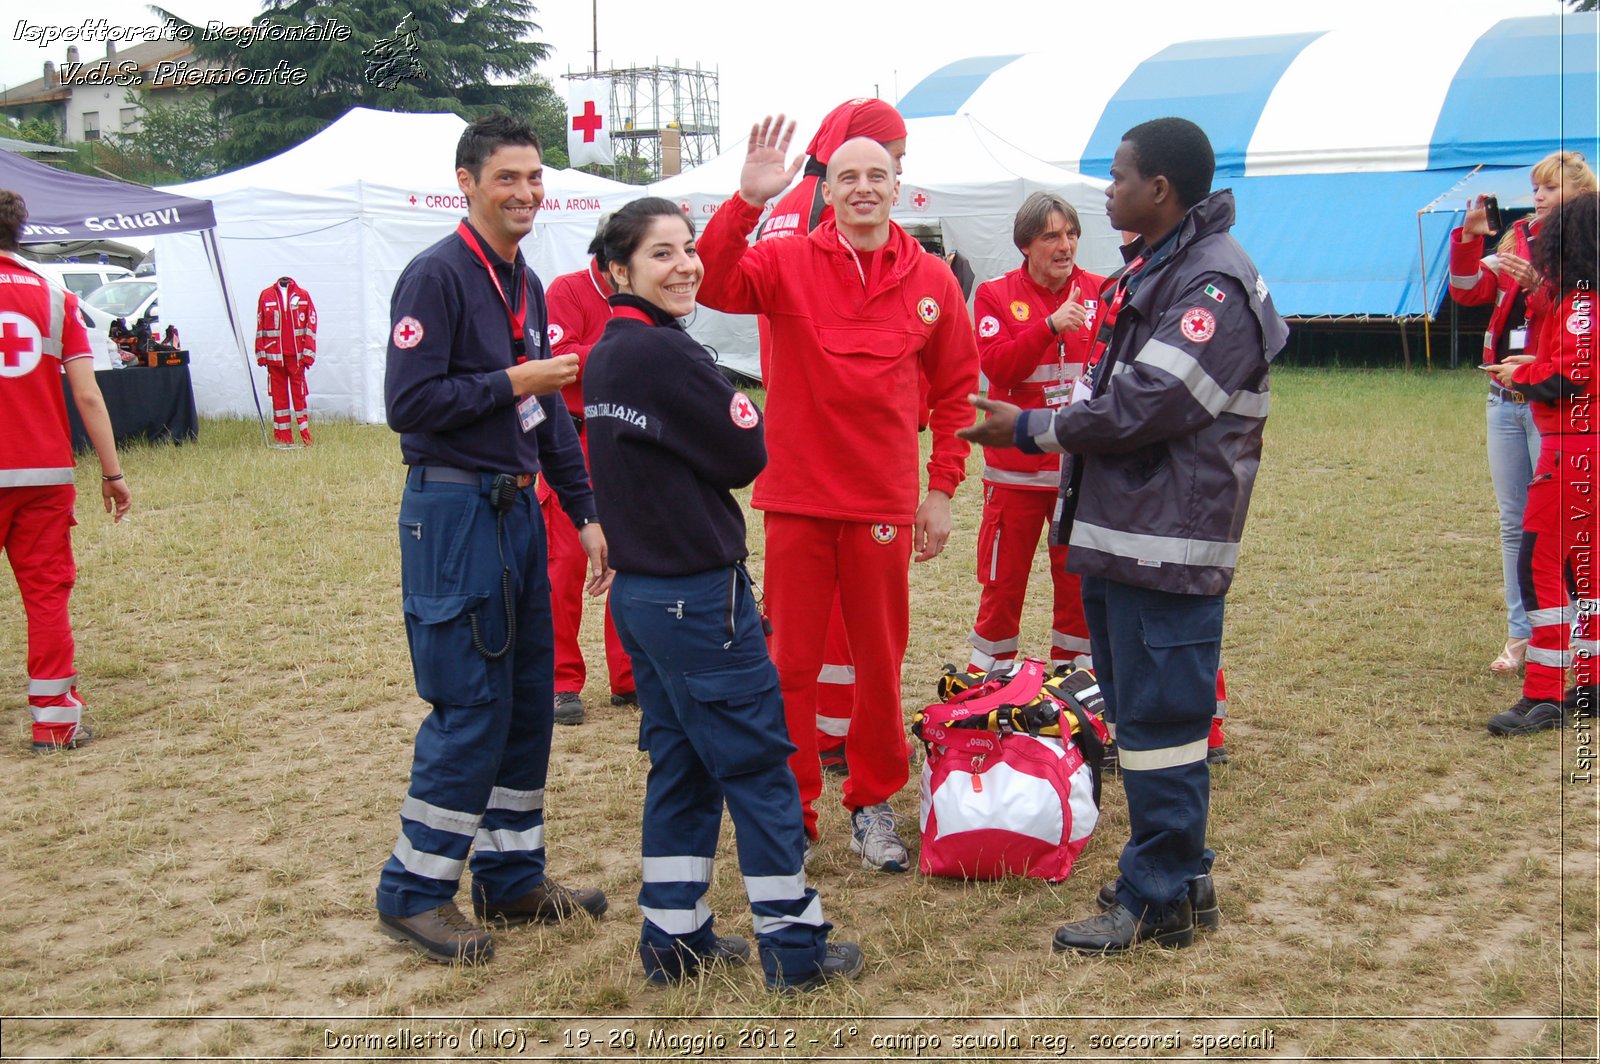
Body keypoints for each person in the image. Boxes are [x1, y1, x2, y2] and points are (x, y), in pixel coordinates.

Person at [962, 117, 1287, 953]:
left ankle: (1156, 898)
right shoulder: (1165, 265)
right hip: (1128, 532)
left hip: (1164, 541)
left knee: (1161, 722)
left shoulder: (1213, 283)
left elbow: (1152, 402)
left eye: (1117, 176)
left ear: (1161, 190)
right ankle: (1181, 875)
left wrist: (1032, 426)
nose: (1106, 191)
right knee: (1144, 719)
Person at [583, 196, 864, 991]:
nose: (685, 267)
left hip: (642, 598)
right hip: (697, 600)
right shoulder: (667, 354)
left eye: (688, 249)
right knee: (760, 768)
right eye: (661, 255)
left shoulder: (608, 350)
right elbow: (747, 448)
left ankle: (674, 938)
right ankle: (796, 948)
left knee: (682, 766)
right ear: (618, 271)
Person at [696, 118, 980, 872]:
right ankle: (789, 810)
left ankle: (873, 800)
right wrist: (746, 202)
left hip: (883, 506)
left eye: (876, 176)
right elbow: (714, 281)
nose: (862, 188)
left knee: (880, 664)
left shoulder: (931, 280)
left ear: (897, 187)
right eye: (847, 177)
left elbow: (957, 392)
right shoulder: (786, 260)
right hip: (796, 500)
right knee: (787, 661)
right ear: (827, 189)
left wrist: (942, 489)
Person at [375, 113, 611, 966]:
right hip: (453, 513)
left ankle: (511, 879)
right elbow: (408, 406)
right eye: (507, 177)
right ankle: (414, 893)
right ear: (466, 182)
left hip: (517, 509)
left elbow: (544, 416)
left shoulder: (529, 284)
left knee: (525, 703)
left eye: (535, 177)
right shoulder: (436, 276)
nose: (525, 193)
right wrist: (515, 378)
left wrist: (586, 516)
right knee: (470, 706)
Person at [755, 98, 908, 774]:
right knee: (828, 640)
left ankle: (834, 750)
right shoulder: (812, 225)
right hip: (817, 461)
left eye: (890, 170)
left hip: (842, 465)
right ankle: (823, 748)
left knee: (836, 642)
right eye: (881, 159)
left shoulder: (795, 206)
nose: (876, 184)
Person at [1448, 152, 1598, 675]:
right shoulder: (1518, 236)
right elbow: (1469, 293)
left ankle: (1575, 639)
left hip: (1553, 401)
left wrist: (1539, 288)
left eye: (1550, 189)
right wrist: (1469, 242)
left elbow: (1577, 330)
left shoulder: (1581, 250)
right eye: (1535, 188)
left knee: (1564, 526)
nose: (1537, 198)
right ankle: (1521, 633)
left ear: (1579, 197)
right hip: (1505, 396)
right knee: (1515, 524)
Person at [0, 190, 133, 753]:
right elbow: (88, 395)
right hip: (42, 473)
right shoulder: (55, 296)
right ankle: (55, 721)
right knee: (46, 596)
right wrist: (112, 471)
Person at [967, 192, 1104, 677]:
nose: (1065, 246)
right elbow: (999, 365)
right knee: (1002, 584)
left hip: (1078, 473)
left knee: (1079, 586)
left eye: (1071, 234)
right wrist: (1049, 325)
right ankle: (990, 681)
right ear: (1026, 244)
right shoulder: (995, 295)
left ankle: (1078, 683)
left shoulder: (1102, 292)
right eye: (1052, 236)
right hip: (1015, 475)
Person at [1484, 190, 1597, 735]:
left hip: (1574, 446)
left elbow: (1570, 376)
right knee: (1584, 569)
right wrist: (1537, 359)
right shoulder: (1579, 298)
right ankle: (1590, 680)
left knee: (1542, 565)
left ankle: (1546, 694)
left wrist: (1522, 375)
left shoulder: (1581, 305)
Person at [542, 225, 635, 725]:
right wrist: (627, 350)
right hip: (572, 441)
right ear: (611, 262)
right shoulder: (568, 290)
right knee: (565, 567)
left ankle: (629, 675)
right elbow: (561, 361)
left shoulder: (642, 295)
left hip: (625, 442)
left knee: (630, 561)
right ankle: (561, 680)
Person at [254, 276, 317, 446]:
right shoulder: (266, 296)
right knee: (279, 400)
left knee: (299, 397)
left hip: (297, 359)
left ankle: (305, 436)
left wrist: (308, 354)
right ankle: (283, 439)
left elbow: (311, 326)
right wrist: (261, 353)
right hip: (274, 359)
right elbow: (260, 325)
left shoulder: (303, 296)